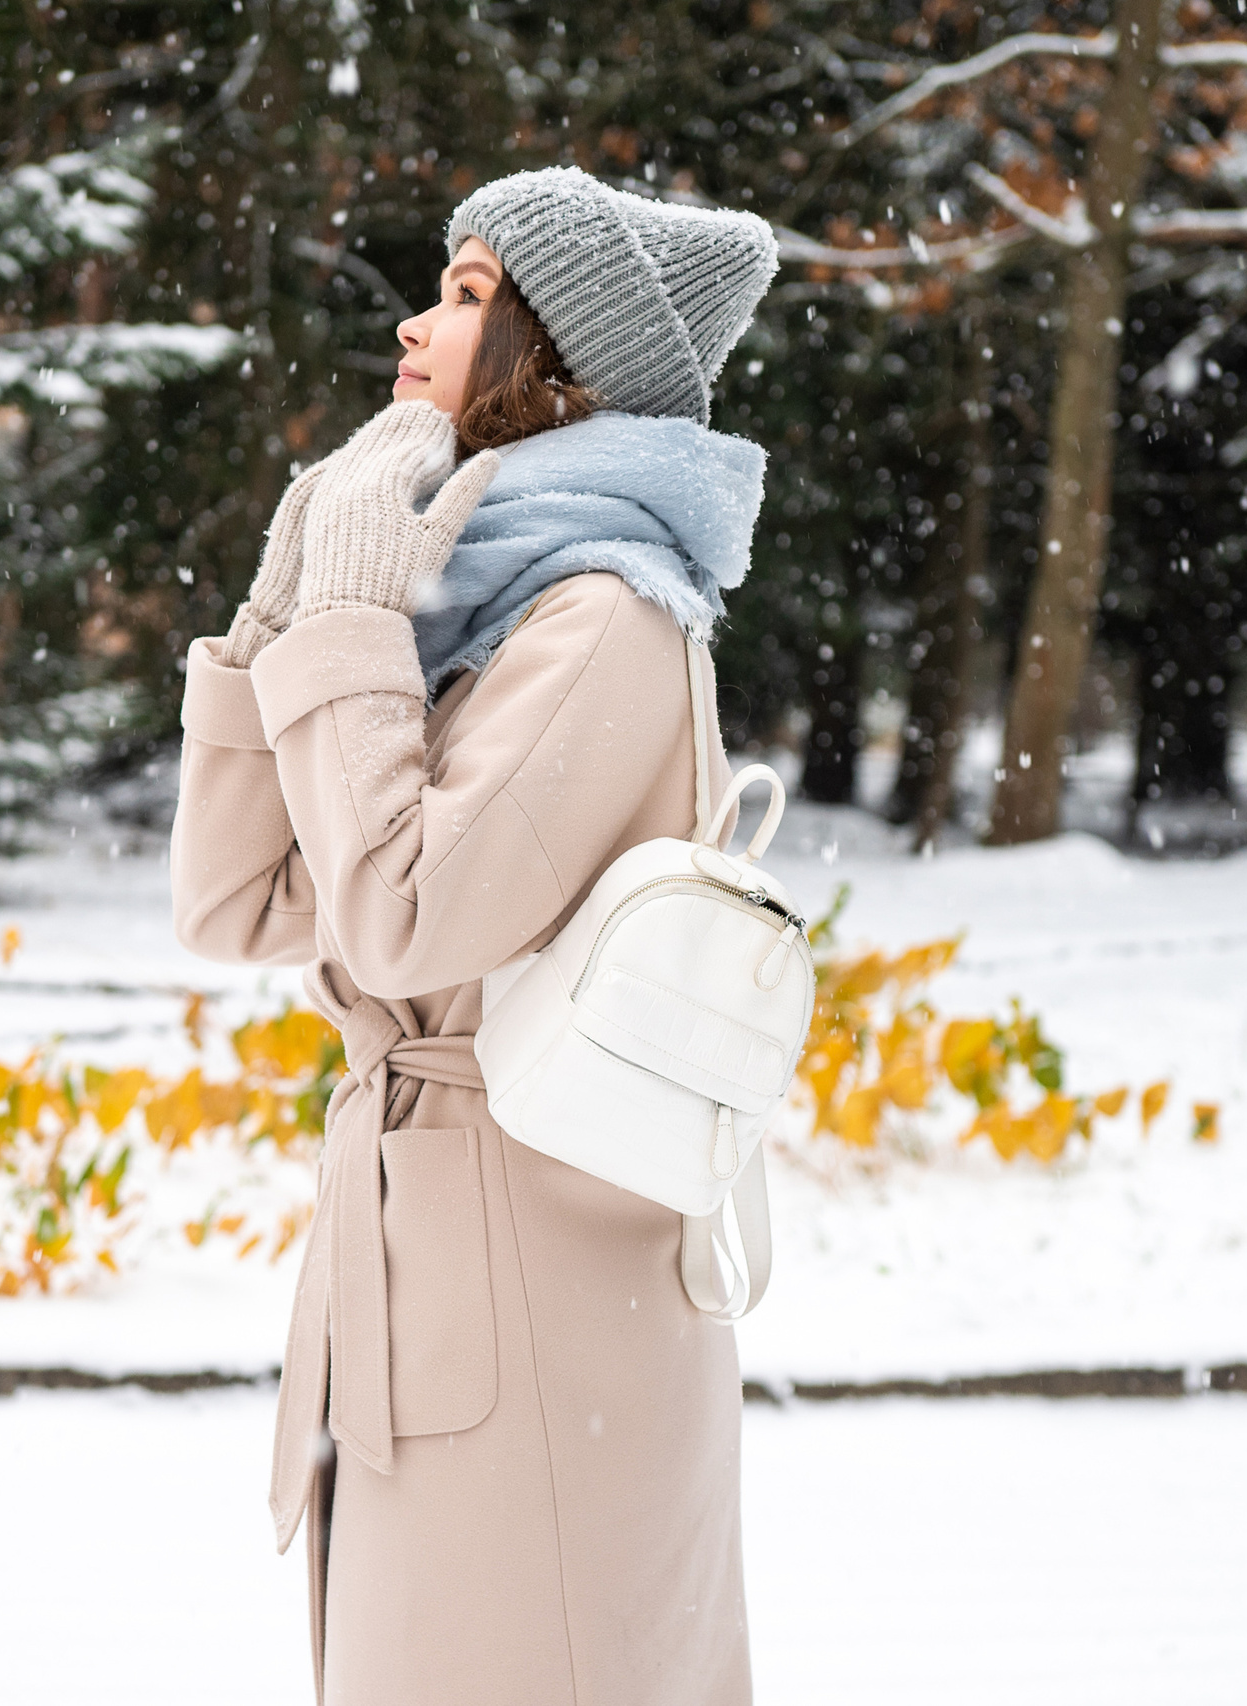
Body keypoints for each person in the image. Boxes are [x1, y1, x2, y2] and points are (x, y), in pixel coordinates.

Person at [169, 164, 779, 1705]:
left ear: (557, 348)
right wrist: (291, 611)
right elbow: (236, 899)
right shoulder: (468, 611)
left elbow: (399, 916)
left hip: (539, 1306)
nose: (414, 320)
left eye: (464, 294)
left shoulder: (605, 617)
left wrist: (355, 622)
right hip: (440, 1278)